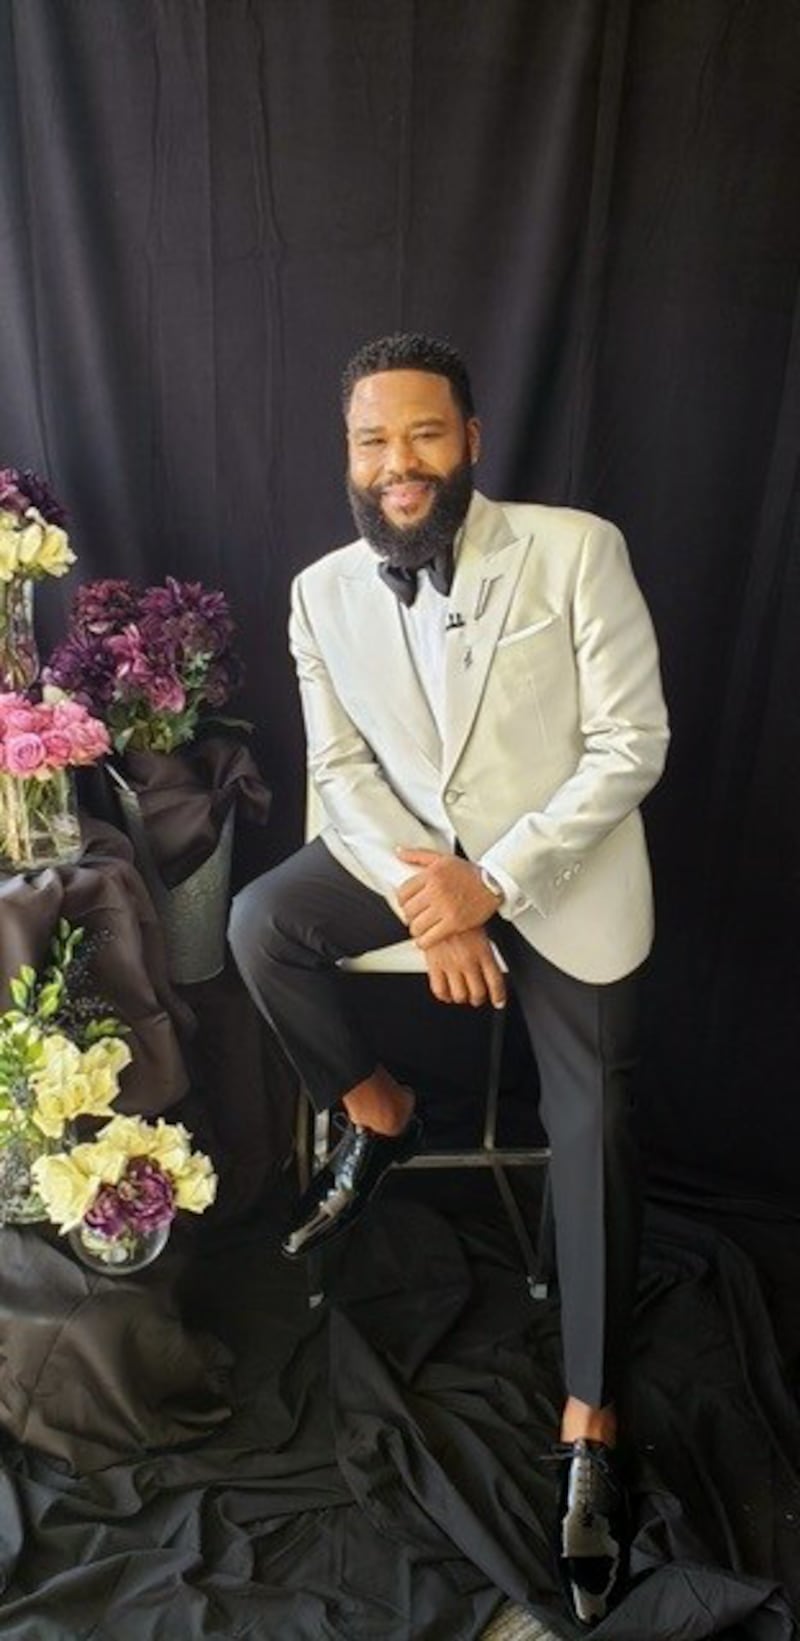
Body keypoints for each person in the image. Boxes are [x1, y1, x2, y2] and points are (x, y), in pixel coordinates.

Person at [228, 332, 669, 1627]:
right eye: (373, 440)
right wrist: (432, 897)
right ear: (349, 454)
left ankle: (591, 1419)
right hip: (413, 859)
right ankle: (380, 1114)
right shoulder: (319, 591)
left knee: (594, 1119)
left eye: (423, 434)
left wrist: (497, 884)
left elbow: (633, 741)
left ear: (470, 440)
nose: (397, 462)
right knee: (261, 923)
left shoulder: (575, 551)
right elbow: (342, 772)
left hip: (562, 867)